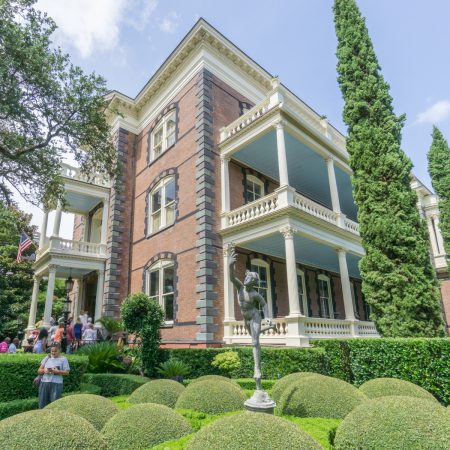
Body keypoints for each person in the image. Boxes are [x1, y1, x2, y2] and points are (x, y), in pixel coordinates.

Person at [229, 249, 273, 391]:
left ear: (253, 283)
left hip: (254, 316)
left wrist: (266, 317)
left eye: (250, 279)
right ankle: (270, 328)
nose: (247, 280)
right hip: (245, 318)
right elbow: (231, 278)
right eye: (247, 278)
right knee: (254, 337)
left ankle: (257, 370)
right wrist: (230, 265)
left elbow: (264, 304)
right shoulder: (240, 288)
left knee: (255, 342)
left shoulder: (254, 294)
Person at [37, 343, 70, 408]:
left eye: (55, 351)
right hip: (44, 383)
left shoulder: (63, 359)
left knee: (54, 404)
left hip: (57, 383)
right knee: (42, 403)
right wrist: (44, 371)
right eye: (52, 351)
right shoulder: (47, 358)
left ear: (60, 350)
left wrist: (58, 372)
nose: (53, 353)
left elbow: (67, 372)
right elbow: (39, 370)